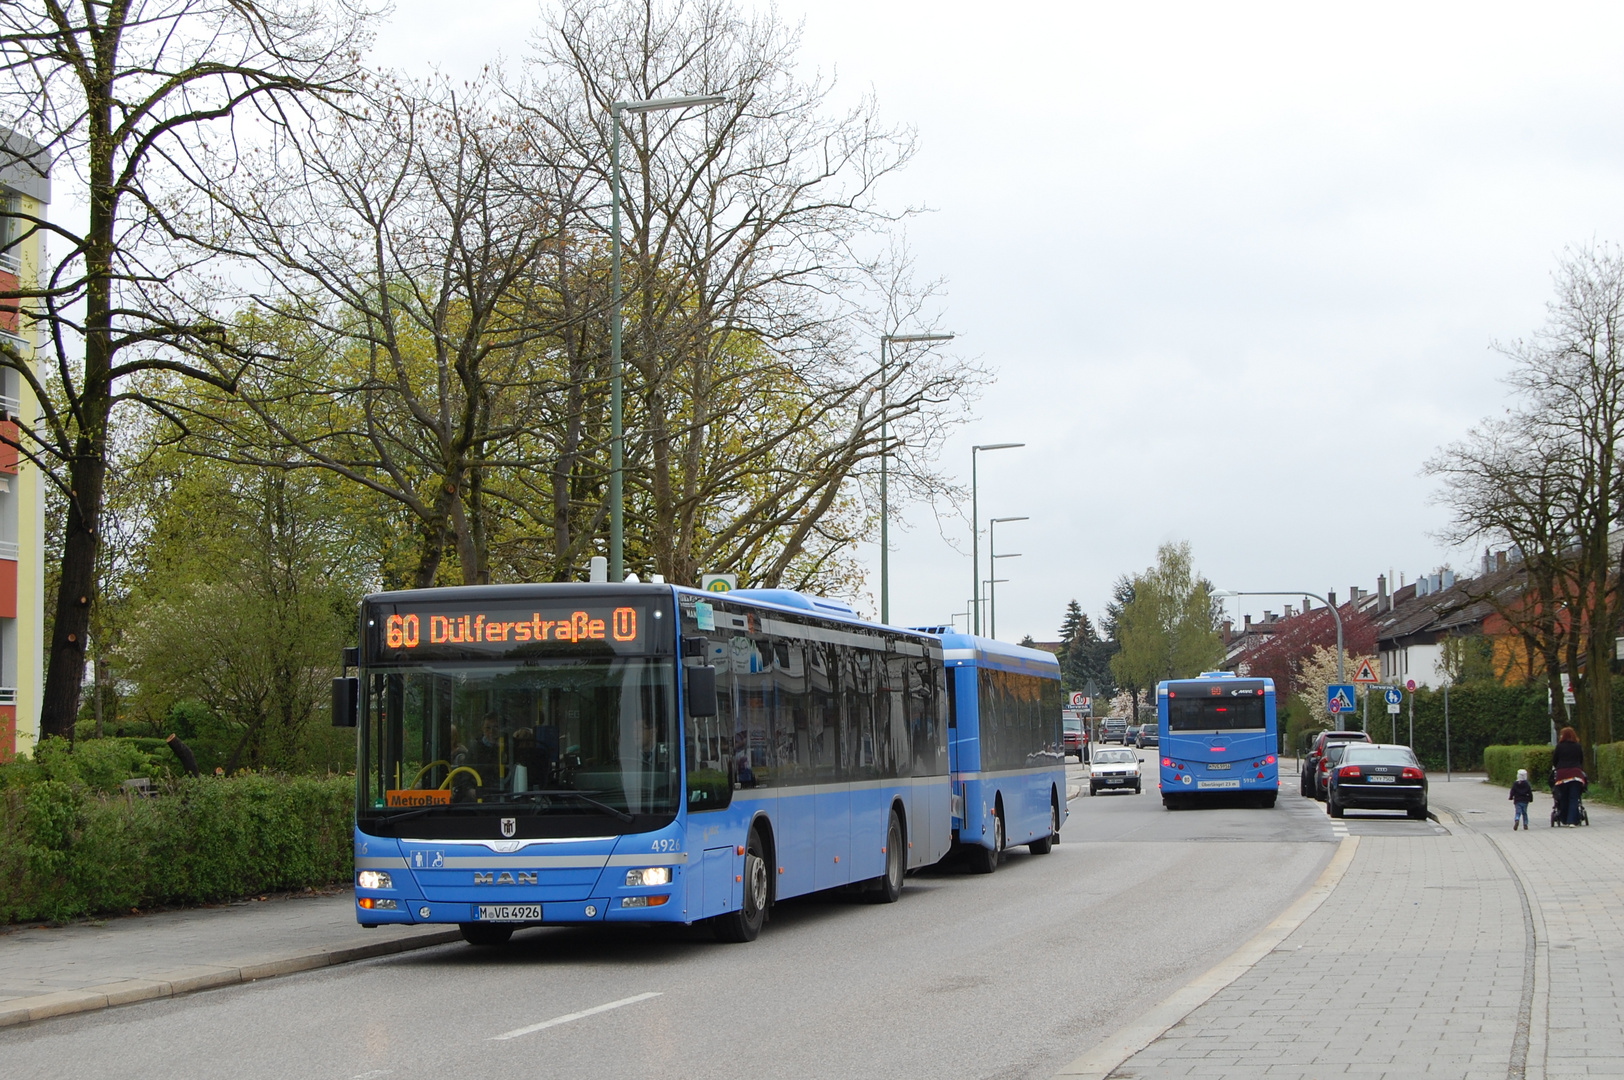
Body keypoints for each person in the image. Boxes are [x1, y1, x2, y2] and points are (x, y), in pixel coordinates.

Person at [1552, 727, 1586, 827]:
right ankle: (1572, 820)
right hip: (1575, 774)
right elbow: (1581, 759)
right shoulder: (1577, 746)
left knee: (1563, 797)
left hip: (1562, 775)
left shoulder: (1559, 746)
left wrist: (1559, 767)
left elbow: (1555, 760)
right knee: (1574, 798)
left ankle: (1564, 818)